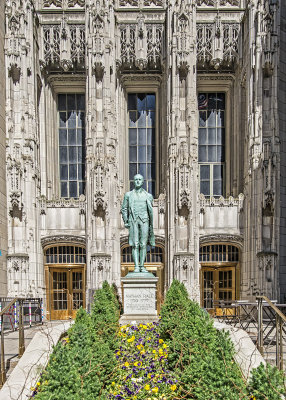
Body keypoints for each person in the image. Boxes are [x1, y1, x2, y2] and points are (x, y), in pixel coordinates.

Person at [121, 174, 155, 273]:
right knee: (135, 244)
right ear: (133, 181)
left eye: (140, 179)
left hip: (145, 220)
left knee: (143, 244)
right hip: (133, 220)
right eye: (136, 180)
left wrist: (150, 225)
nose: (138, 181)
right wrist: (126, 220)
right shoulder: (128, 195)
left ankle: (142, 265)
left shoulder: (148, 196)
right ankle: (136, 266)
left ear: (143, 181)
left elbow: (150, 210)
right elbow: (124, 208)